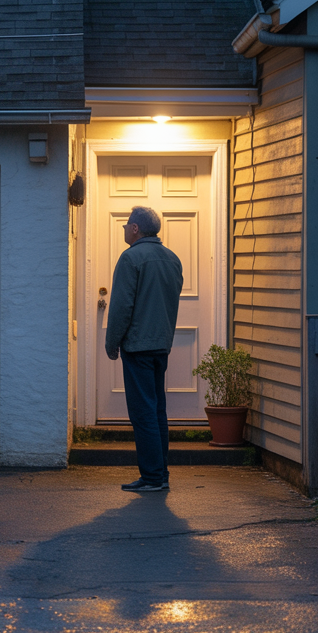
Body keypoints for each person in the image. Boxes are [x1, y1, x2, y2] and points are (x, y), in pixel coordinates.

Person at [105, 206, 183, 493]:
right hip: (161, 346)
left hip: (138, 346)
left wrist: (112, 342)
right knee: (158, 410)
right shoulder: (172, 259)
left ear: (136, 228)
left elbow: (122, 307)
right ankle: (160, 474)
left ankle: (152, 478)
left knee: (143, 413)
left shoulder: (131, 258)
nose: (124, 229)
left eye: (127, 225)